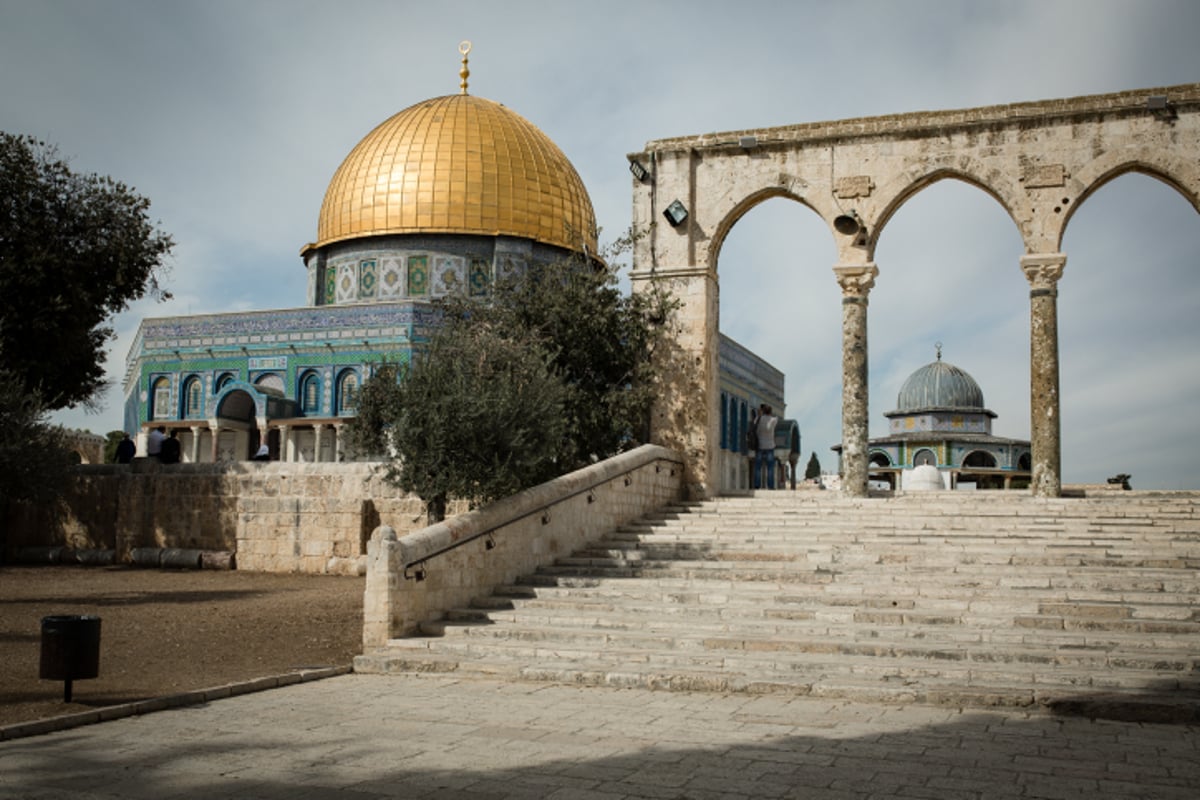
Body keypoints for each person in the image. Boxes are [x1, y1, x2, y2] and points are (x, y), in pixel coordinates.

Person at [754, 404, 778, 490]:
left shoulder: (759, 419)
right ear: (770, 412)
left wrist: (759, 414)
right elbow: (776, 419)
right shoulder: (773, 420)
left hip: (760, 445)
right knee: (770, 467)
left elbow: (754, 424)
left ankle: (757, 485)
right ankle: (770, 486)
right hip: (770, 446)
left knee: (758, 467)